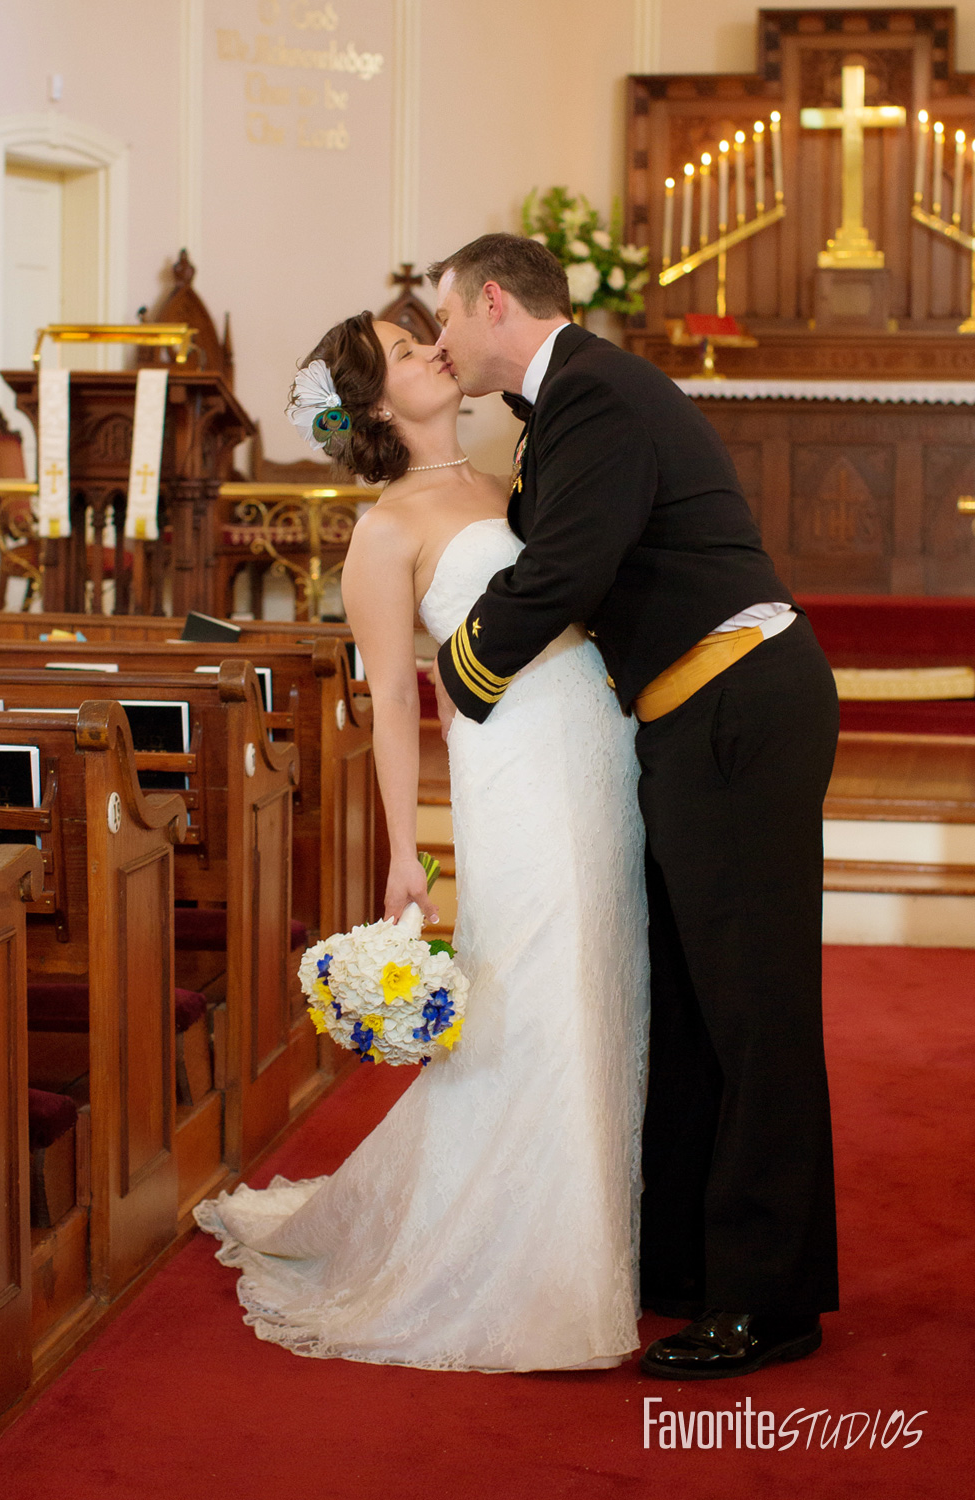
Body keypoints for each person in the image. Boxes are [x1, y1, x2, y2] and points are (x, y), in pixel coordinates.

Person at [194, 308, 649, 1372]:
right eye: (407, 351)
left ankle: (605, 1230)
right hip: (512, 769)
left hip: (598, 741)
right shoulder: (386, 529)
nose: (434, 349)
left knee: (599, 975)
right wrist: (407, 850)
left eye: (424, 335)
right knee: (532, 991)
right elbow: (391, 705)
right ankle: (529, 1260)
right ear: (378, 406)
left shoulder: (508, 482)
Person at [428, 233, 839, 1380]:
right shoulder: (566, 404)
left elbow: (568, 566)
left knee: (753, 1008)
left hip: (738, 710)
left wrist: (459, 680)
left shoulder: (596, 392)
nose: (442, 338)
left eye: (446, 316)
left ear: (494, 299)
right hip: (694, 718)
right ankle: (692, 1263)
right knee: (698, 1002)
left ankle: (772, 1300)